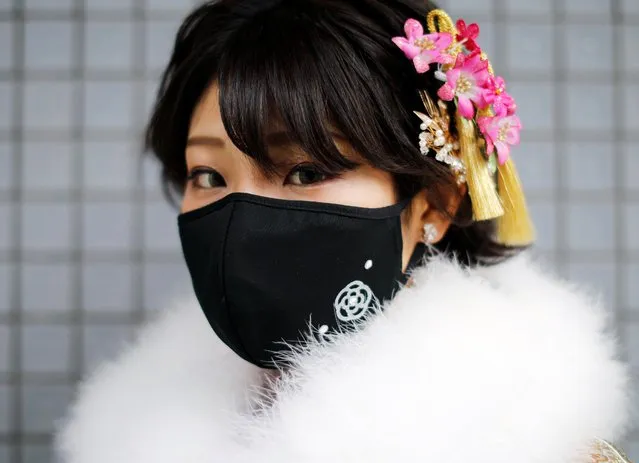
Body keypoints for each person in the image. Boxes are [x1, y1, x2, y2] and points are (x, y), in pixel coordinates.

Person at [56, 1, 633, 462]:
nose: (240, 219)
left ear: (432, 202)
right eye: (208, 175)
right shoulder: (145, 425)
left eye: (306, 171)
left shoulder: (532, 444)